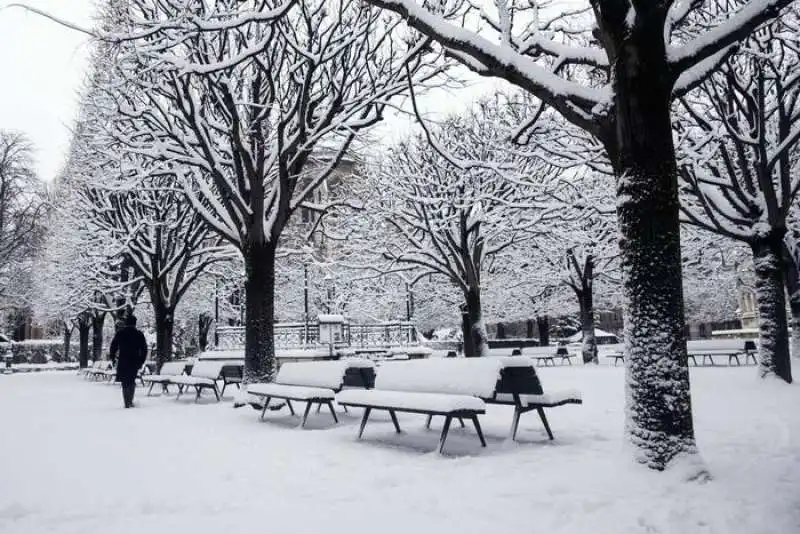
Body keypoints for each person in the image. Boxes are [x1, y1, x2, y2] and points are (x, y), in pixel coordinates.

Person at [109, 315, 148, 408]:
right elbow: (144, 349)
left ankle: (126, 401)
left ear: (126, 323)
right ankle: (130, 400)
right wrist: (141, 360)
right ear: (135, 323)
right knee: (131, 380)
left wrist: (113, 358)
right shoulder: (139, 334)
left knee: (124, 381)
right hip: (134, 360)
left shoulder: (120, 333)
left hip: (123, 359)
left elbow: (113, 346)